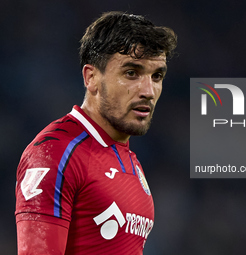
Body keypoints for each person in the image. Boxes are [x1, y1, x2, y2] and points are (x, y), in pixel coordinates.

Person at [15, 11, 177, 255]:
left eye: (157, 76)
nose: (149, 91)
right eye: (131, 73)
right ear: (91, 78)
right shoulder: (56, 152)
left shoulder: (128, 159)